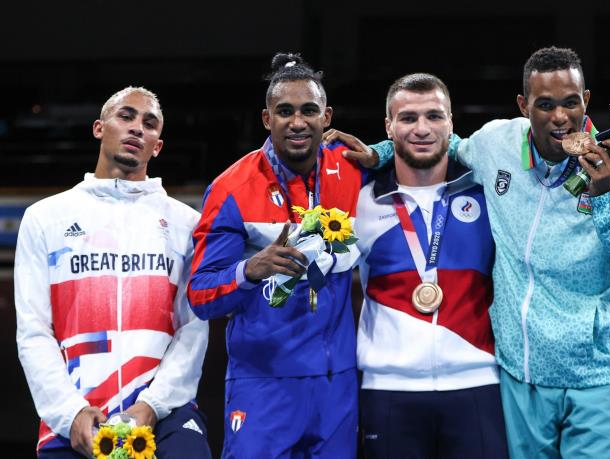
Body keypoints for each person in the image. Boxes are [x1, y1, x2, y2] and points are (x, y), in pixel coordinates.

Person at [331, 46, 610, 458]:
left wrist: (607, 199)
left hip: (598, 377)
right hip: (520, 382)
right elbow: (437, 140)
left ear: (586, 100)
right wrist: (380, 152)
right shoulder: (496, 144)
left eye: (570, 103)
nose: (560, 117)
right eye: (545, 105)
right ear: (524, 106)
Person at [15, 87, 211, 459]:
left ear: (157, 146)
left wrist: (152, 405)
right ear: (99, 128)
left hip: (165, 415)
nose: (137, 127)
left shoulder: (186, 224)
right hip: (75, 417)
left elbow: (193, 329)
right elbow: (34, 330)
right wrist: (70, 413)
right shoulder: (45, 218)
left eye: (149, 123)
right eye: (126, 116)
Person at [187, 53, 367, 459]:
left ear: (327, 117)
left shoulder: (354, 172)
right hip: (263, 384)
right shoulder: (231, 188)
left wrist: (382, 152)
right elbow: (200, 295)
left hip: (336, 384)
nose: (297, 122)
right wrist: (249, 270)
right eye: (285, 111)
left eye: (309, 111)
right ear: (267, 119)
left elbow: (416, 153)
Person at [351, 73, 508, 458]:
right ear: (388, 127)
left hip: (477, 383)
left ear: (451, 125)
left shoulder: (488, 195)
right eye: (408, 118)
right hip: (388, 390)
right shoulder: (361, 202)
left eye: (434, 116)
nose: (422, 129)